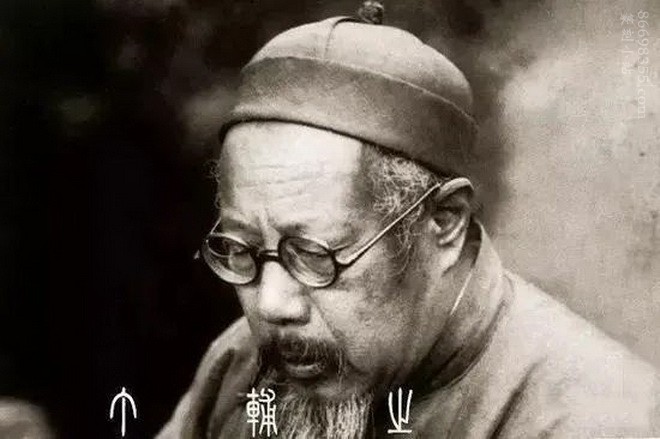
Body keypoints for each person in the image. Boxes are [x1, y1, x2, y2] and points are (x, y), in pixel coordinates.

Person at [158, 4, 660, 438]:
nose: (271, 304)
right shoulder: (241, 368)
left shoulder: (603, 421)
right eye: (241, 250)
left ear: (444, 222)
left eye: (313, 255)